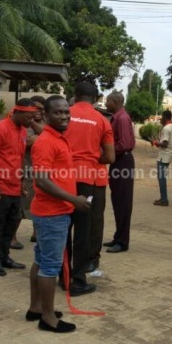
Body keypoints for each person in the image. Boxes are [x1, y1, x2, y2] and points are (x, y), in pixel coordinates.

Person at [27, 95, 91, 334]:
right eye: (58, 112)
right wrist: (73, 199)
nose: (64, 116)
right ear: (46, 115)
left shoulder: (57, 138)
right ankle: (47, 317)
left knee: (41, 260)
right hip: (52, 214)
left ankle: (36, 308)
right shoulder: (46, 142)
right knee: (50, 266)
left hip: (54, 212)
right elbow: (42, 181)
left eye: (66, 112)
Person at [62, 82, 115, 295]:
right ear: (95, 99)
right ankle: (77, 279)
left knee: (62, 227)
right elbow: (110, 157)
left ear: (75, 96)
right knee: (83, 231)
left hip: (62, 177)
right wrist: (93, 157)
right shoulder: (102, 120)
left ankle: (61, 276)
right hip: (87, 179)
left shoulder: (63, 114)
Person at [0, 98, 37, 276]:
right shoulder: (0, 128)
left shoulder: (22, 131)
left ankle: (5, 256)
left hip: (14, 186)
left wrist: (21, 182)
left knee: (10, 224)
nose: (31, 121)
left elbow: (20, 157)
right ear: (18, 112)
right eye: (29, 117)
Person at [12, 96, 46, 250]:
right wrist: (46, 137)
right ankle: (12, 237)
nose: (38, 111)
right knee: (21, 205)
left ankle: (35, 233)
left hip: (40, 171)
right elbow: (29, 141)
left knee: (37, 203)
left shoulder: (44, 123)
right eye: (35, 108)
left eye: (40, 108)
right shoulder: (26, 124)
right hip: (25, 170)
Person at [103, 91, 135, 254]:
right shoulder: (117, 117)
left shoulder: (121, 119)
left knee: (123, 203)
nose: (106, 103)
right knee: (117, 200)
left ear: (115, 102)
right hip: (118, 162)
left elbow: (125, 144)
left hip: (123, 162)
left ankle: (122, 242)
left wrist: (105, 152)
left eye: (107, 101)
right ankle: (118, 236)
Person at [152, 110, 172, 206]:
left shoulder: (166, 128)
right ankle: (163, 198)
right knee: (162, 177)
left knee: (161, 178)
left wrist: (155, 142)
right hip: (170, 154)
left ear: (165, 117)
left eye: (162, 117)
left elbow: (165, 144)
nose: (161, 119)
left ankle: (164, 199)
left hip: (164, 155)